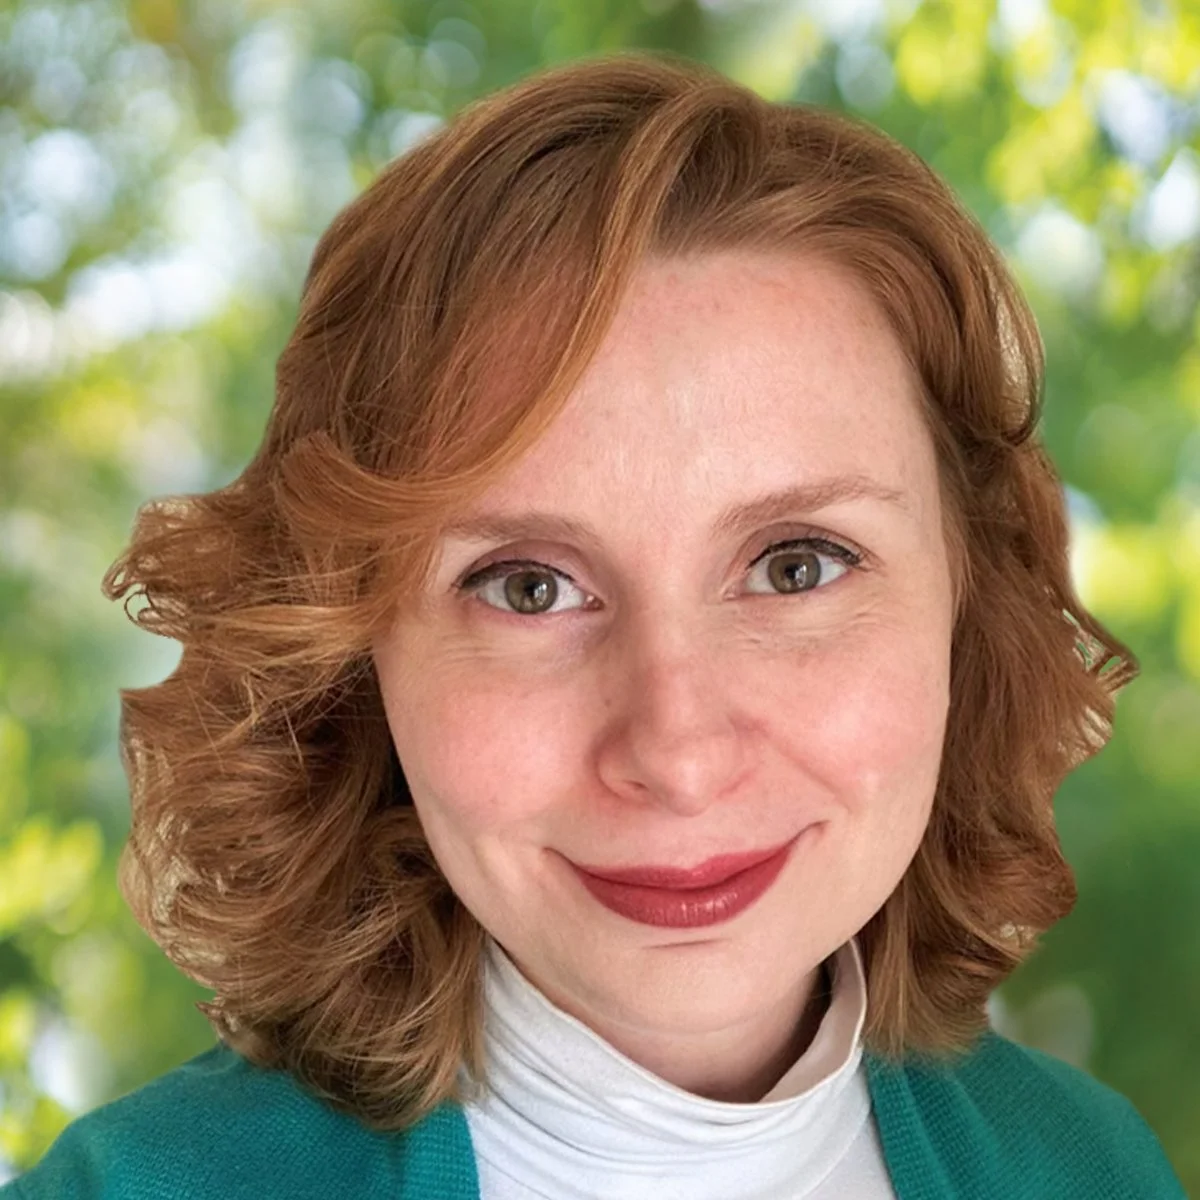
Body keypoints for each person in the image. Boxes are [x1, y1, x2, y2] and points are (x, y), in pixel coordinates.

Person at [2, 51, 1186, 1200]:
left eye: (796, 566)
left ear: (967, 604)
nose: (677, 753)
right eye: (528, 587)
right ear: (348, 654)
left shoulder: (1089, 1170)